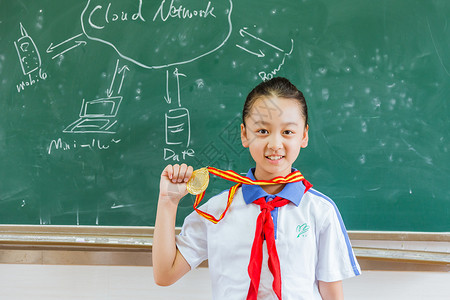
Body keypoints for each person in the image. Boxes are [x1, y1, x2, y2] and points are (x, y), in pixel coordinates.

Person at [153, 77, 361, 299]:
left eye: (288, 132)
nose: (274, 144)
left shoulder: (320, 211)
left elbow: (331, 293)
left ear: (304, 135)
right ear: (244, 134)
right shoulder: (217, 210)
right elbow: (165, 274)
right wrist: (168, 202)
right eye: (262, 131)